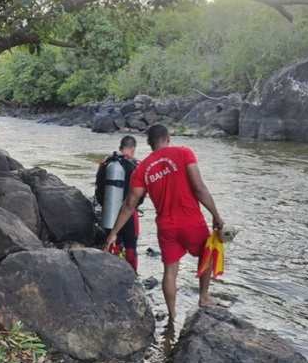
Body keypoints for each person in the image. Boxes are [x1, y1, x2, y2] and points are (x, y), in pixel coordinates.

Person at [103, 124, 224, 320]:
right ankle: (203, 297)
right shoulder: (184, 152)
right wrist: (216, 216)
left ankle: (172, 315)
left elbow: (129, 205)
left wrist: (113, 233)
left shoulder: (141, 168)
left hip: (166, 227)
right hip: (191, 220)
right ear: (168, 139)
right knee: (207, 255)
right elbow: (200, 188)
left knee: (170, 272)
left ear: (148, 142)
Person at [96, 135, 141, 272]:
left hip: (109, 211)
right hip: (129, 214)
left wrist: (106, 205)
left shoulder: (105, 163)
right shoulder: (137, 165)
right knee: (131, 248)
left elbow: (99, 189)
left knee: (112, 243)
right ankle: (133, 277)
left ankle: (110, 273)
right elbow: (142, 195)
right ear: (133, 149)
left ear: (120, 148)